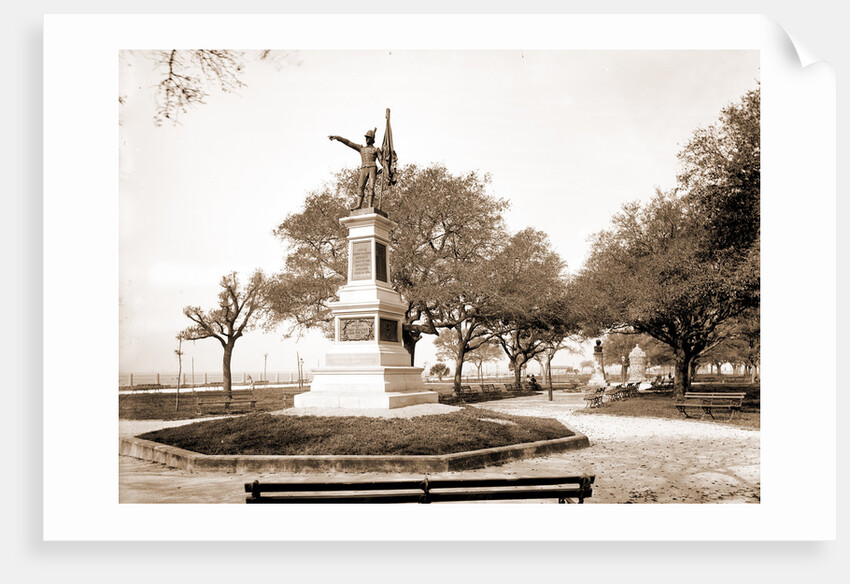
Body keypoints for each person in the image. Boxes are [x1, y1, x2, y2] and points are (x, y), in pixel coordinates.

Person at [328, 129, 383, 210]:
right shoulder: (361, 148)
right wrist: (338, 138)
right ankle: (358, 205)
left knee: (371, 187)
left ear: (372, 139)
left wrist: (384, 166)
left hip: (372, 168)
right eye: (366, 137)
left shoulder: (376, 149)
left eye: (368, 137)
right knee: (360, 186)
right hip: (364, 168)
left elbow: (382, 161)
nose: (366, 139)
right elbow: (348, 142)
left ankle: (369, 206)